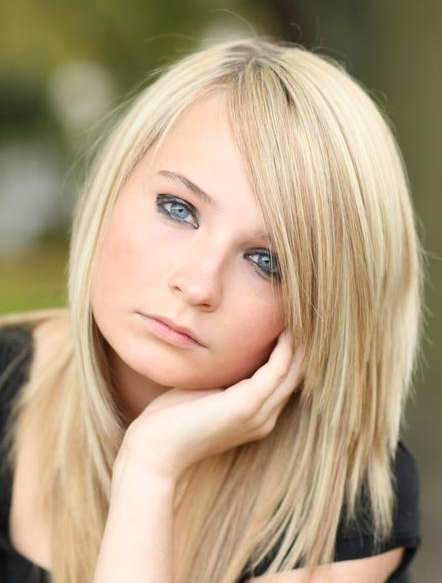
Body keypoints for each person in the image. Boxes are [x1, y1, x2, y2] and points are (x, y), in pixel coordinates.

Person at [0, 37, 424, 583]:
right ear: (111, 188)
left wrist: (149, 469)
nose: (199, 284)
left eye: (267, 261)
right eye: (178, 209)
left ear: (326, 309)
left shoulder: (345, 501)